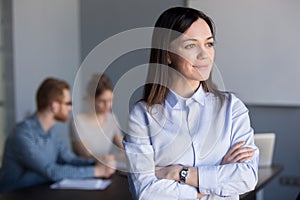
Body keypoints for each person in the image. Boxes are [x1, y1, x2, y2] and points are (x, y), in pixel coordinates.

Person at [123, 7, 259, 200]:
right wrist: (214, 178)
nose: (205, 55)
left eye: (209, 44)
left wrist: (178, 173)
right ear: (168, 55)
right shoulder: (142, 116)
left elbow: (246, 177)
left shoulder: (231, 108)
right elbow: (145, 192)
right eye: (190, 46)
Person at [0, 77, 115, 192]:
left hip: (40, 192)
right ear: (54, 106)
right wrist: (96, 171)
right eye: (68, 103)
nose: (71, 108)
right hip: (14, 195)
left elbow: (69, 159)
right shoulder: (22, 134)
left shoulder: (51, 131)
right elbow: (52, 171)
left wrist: (97, 162)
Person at [69, 74, 125, 168]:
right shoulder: (77, 121)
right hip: (84, 172)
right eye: (102, 101)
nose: (108, 105)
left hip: (105, 171)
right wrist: (115, 157)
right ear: (91, 99)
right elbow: (87, 155)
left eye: (110, 100)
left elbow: (125, 150)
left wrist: (111, 157)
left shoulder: (112, 118)